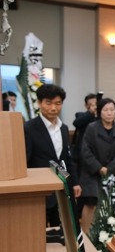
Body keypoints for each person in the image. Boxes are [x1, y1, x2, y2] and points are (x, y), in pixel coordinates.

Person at [24, 84, 81, 227]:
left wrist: (74, 182)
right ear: (39, 103)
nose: (53, 108)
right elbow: (25, 161)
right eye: (48, 103)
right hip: (39, 191)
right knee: (37, 231)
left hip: (61, 190)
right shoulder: (29, 128)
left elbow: (66, 158)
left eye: (58, 103)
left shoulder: (63, 128)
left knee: (61, 232)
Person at [79, 98, 115, 233]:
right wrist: (99, 168)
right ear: (99, 112)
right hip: (92, 172)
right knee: (90, 203)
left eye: (112, 110)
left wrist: (109, 169)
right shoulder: (91, 128)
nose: (109, 113)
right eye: (105, 110)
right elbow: (86, 151)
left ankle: (111, 233)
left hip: (114, 173)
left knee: (113, 205)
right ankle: (86, 234)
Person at [73, 93, 97, 175]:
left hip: (99, 150)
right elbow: (76, 123)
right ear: (86, 106)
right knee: (82, 173)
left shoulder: (103, 117)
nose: (94, 106)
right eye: (90, 104)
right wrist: (90, 112)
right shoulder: (81, 115)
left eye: (96, 104)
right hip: (84, 150)